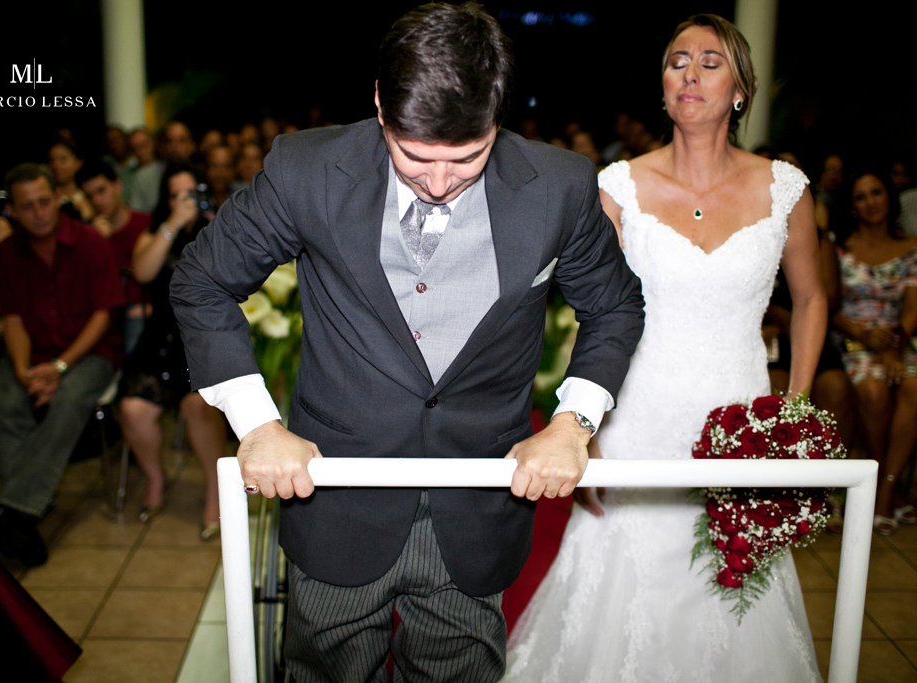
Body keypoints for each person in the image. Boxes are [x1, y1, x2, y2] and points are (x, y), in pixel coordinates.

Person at [170, 4, 644, 681]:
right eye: (415, 156)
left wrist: (573, 423)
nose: (440, 182)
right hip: (335, 495)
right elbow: (202, 282)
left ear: (498, 116)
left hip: (478, 505)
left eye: (468, 157)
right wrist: (256, 423)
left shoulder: (562, 186)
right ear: (380, 106)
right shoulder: (306, 169)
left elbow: (616, 305)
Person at [505, 14, 826, 681]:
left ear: (741, 89)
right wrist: (581, 423)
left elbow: (813, 299)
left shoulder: (785, 190)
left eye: (710, 61)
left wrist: (792, 408)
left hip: (739, 415)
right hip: (637, 412)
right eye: (677, 60)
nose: (690, 72)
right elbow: (589, 310)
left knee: (736, 597)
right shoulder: (618, 186)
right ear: (661, 85)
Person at [0, 163, 124, 567]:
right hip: (33, 352)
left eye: (44, 202)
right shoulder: (7, 254)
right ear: (12, 210)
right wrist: (27, 371)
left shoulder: (91, 242)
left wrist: (59, 368)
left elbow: (103, 316)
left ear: (58, 199)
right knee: (10, 400)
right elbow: (11, 320)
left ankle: (12, 513)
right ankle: (20, 519)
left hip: (89, 353)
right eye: (27, 206)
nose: (39, 212)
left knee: (71, 398)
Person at [117, 164, 227, 538]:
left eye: (190, 193)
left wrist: (205, 221)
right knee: (133, 408)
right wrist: (173, 225)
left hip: (204, 337)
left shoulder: (219, 226)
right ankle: (155, 477)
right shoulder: (154, 232)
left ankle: (216, 492)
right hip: (161, 337)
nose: (185, 201)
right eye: (175, 195)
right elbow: (143, 273)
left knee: (198, 406)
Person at [830, 169, 917, 535]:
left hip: (899, 337)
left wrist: (893, 345)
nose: (870, 203)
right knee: (873, 390)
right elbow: (829, 305)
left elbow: (913, 308)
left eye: (876, 193)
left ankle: (888, 489)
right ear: (852, 206)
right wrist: (865, 336)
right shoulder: (839, 247)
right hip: (852, 337)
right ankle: (875, 485)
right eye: (861, 197)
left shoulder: (911, 247)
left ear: (889, 197)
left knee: (913, 386)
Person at [75, 161, 152, 353]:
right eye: (90, 196)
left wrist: (155, 306)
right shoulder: (86, 235)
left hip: (141, 309)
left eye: (102, 191)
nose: (97, 200)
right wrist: (96, 241)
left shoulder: (146, 224)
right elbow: (83, 285)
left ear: (117, 186)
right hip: (104, 315)